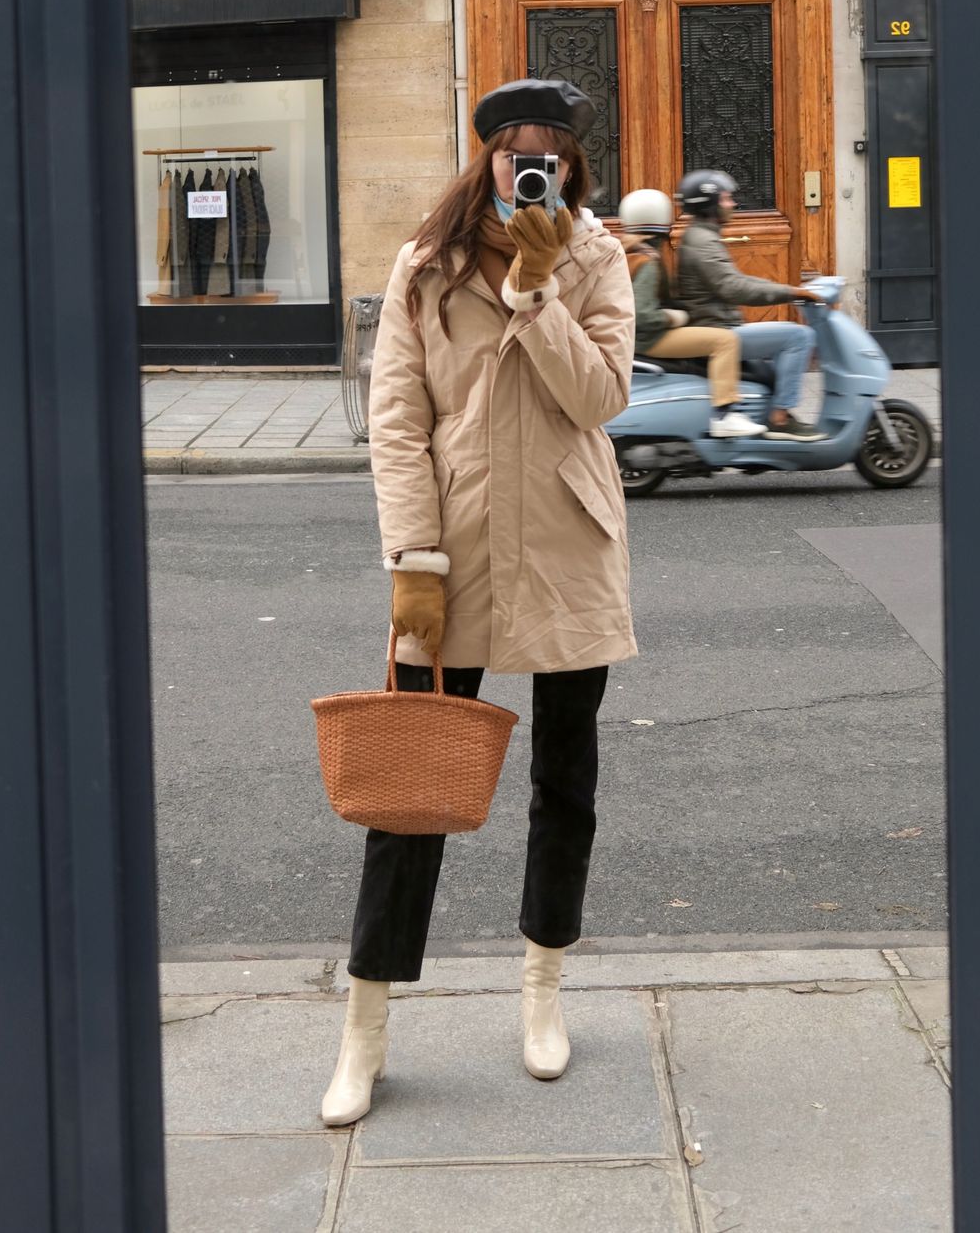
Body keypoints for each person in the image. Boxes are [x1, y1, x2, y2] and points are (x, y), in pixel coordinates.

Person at [322, 77, 637, 1128]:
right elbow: (399, 420)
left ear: (573, 167)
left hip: (566, 547)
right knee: (410, 790)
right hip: (450, 553)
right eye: (513, 151)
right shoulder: (425, 264)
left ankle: (542, 992)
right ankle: (364, 1027)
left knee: (567, 781)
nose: (529, 167)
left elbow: (600, 399)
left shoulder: (597, 259)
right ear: (487, 161)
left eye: (548, 152)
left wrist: (539, 295)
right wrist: (412, 558)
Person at [674, 169, 828, 441]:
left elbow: (734, 281)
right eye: (725, 199)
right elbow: (733, 287)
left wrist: (789, 290)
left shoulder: (702, 236)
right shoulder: (702, 241)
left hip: (719, 325)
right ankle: (780, 418)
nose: (732, 204)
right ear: (708, 203)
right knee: (799, 336)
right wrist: (791, 292)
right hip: (718, 329)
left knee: (774, 361)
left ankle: (767, 413)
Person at [617, 188, 765, 438]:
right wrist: (675, 317)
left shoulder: (626, 250)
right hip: (647, 339)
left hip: (633, 338)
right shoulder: (648, 260)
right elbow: (642, 315)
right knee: (724, 341)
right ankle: (725, 415)